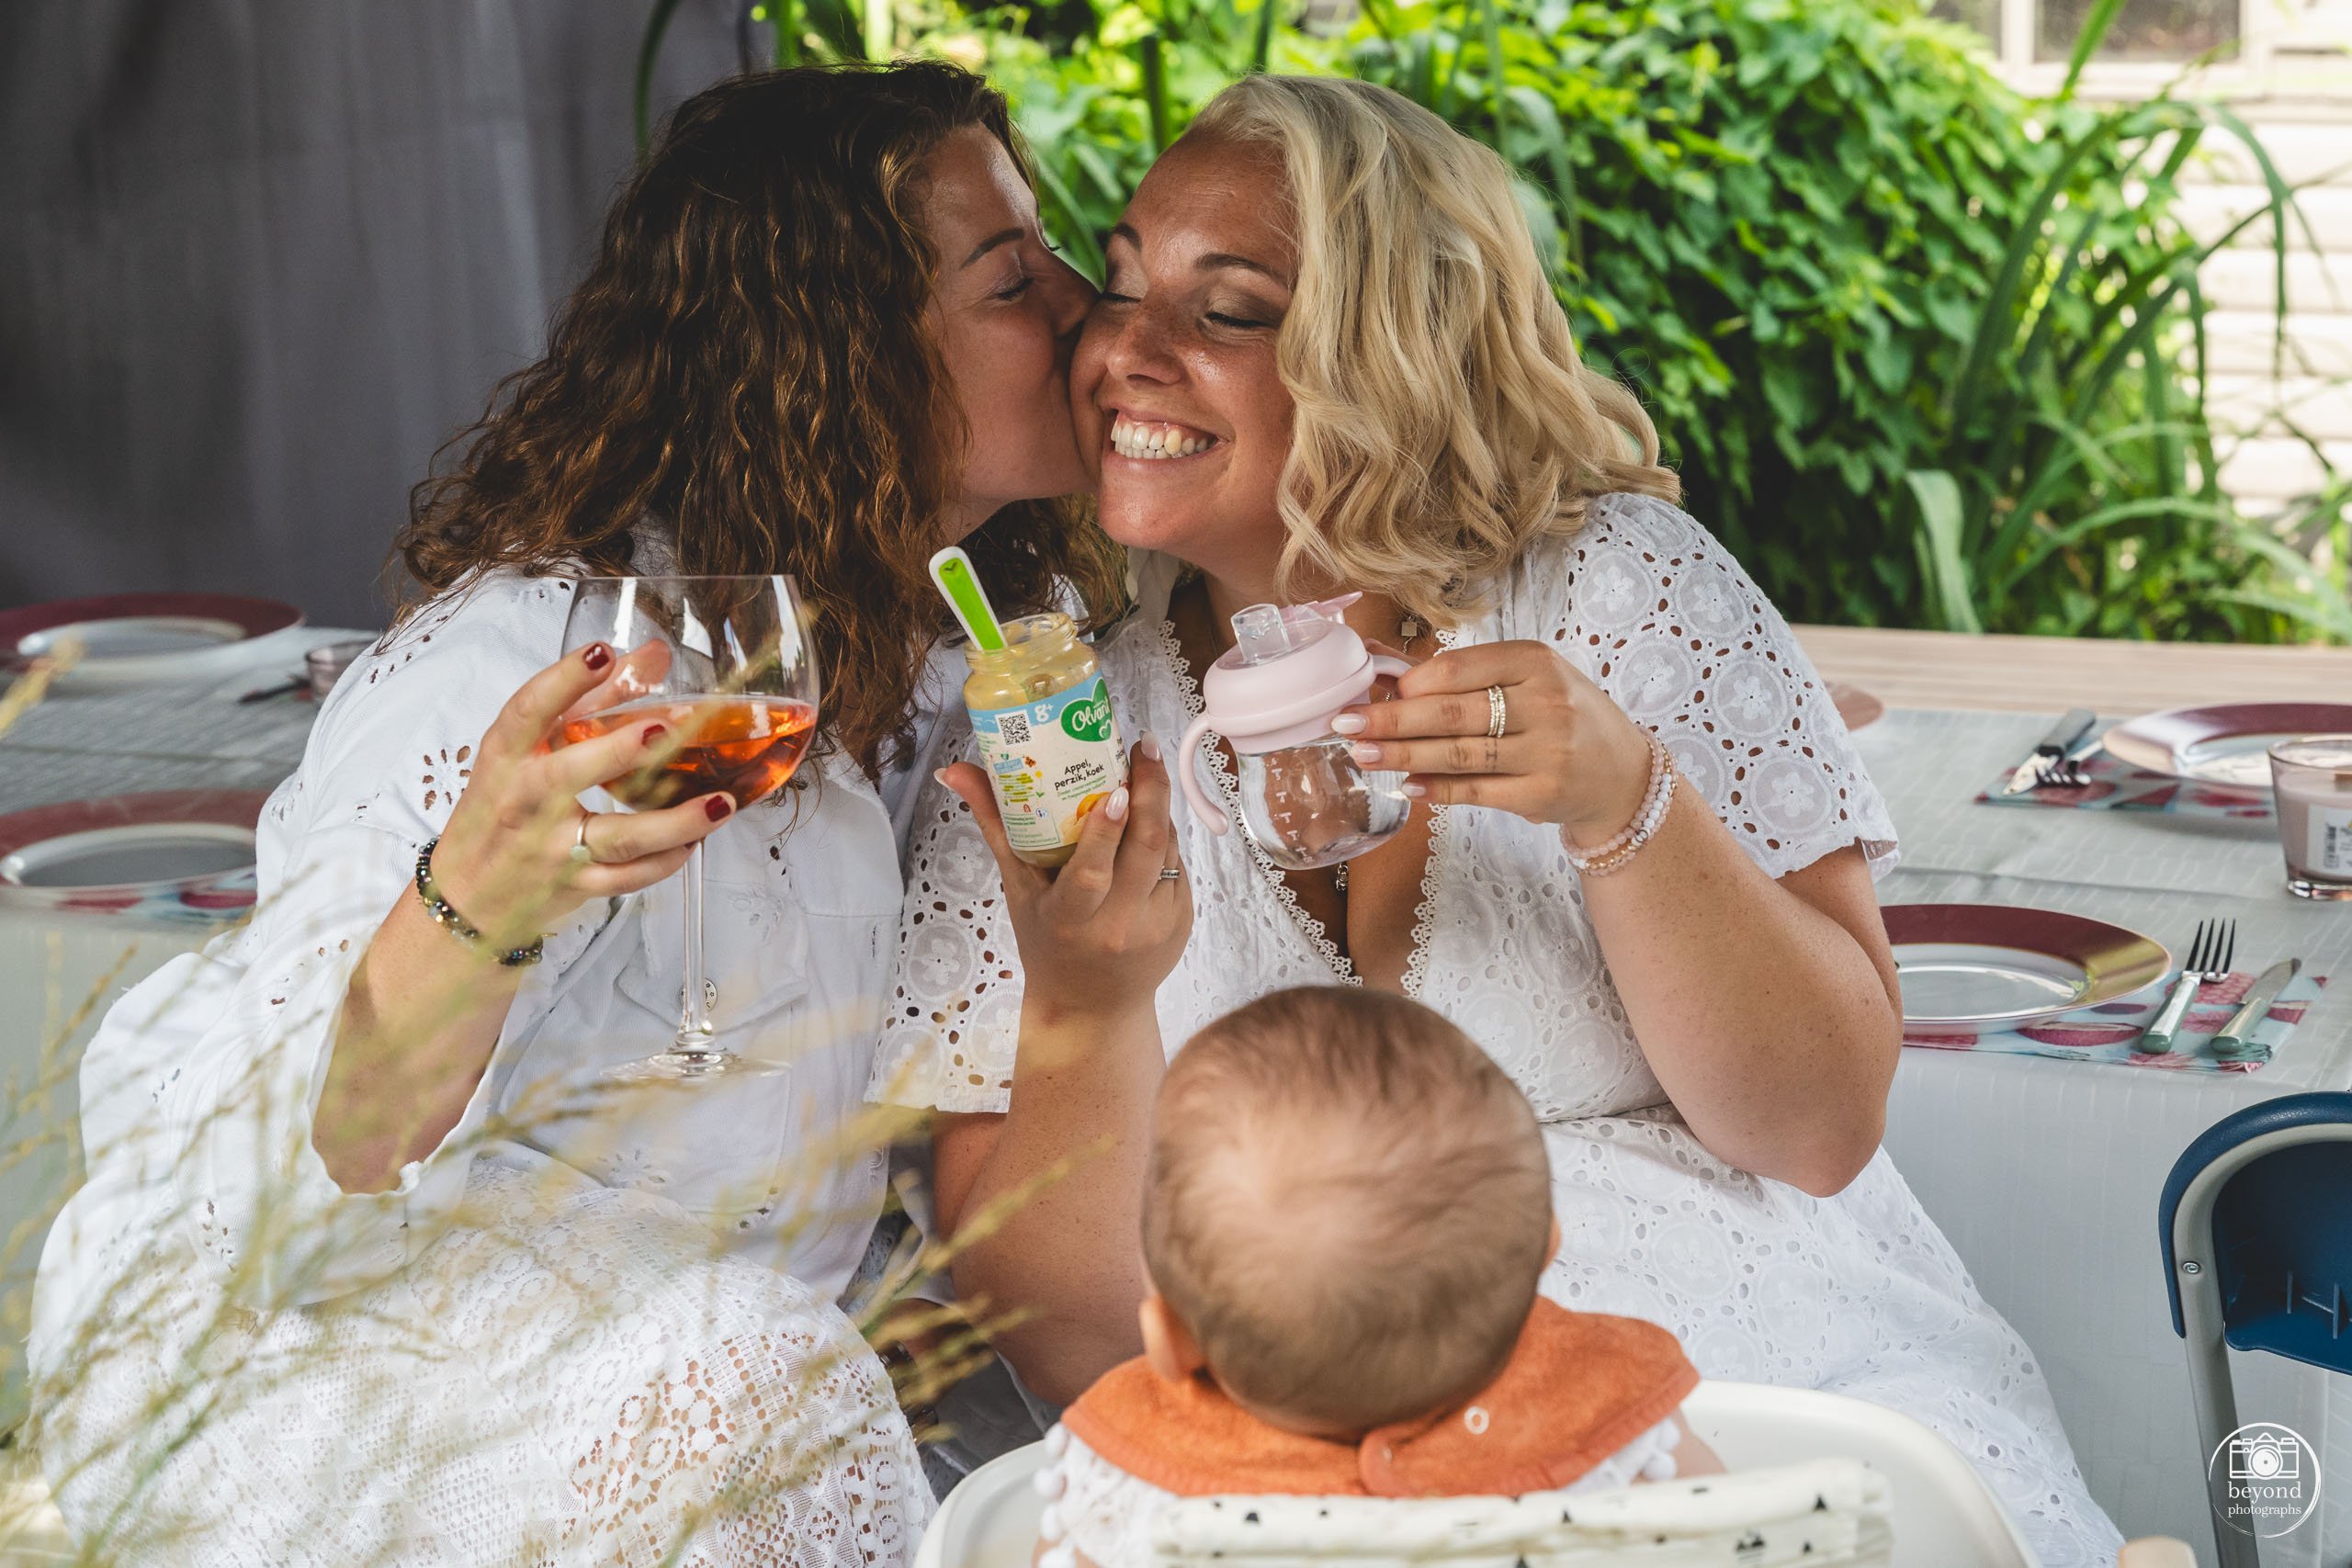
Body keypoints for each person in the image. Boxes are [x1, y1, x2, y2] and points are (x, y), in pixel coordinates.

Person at [871, 74, 2126, 1565]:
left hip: (1744, 1401)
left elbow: (1818, 1129)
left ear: (1388, 348)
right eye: (1125, 281)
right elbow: (1068, 1337)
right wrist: (1084, 1005)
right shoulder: (1056, 731)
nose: (1123, 348)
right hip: (1294, 1474)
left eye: (1231, 309)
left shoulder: (1624, 591)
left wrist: (1626, 804)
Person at [29, 62, 1120, 1566]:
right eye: (1012, 279)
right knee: (763, 1387)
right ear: (844, 351)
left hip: (702, 1341)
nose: (1084, 306)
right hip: (338, 1352)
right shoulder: (538, 668)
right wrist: (474, 902)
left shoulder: (958, 662)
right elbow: (307, 1162)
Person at [1032, 986, 1720, 1568]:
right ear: (1548, 1247)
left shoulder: (1124, 1483)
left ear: (1170, 1338)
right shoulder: (1613, 1418)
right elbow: (1737, 1535)